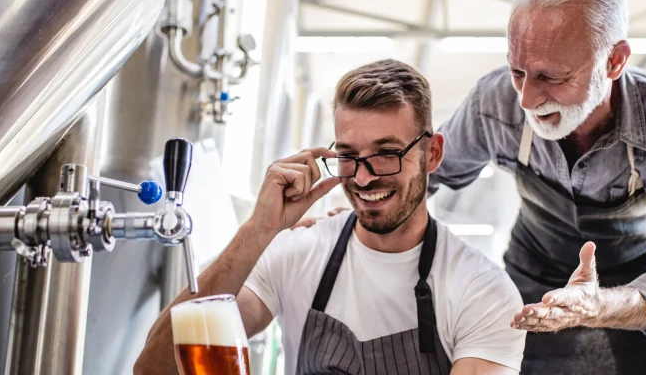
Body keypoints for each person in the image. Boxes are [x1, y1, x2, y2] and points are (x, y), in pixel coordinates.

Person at [134, 59, 526, 375]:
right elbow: (156, 367)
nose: (365, 176)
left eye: (386, 153)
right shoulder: (294, 253)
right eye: (349, 156)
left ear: (433, 154)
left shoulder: (482, 291)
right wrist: (259, 230)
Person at [427, 0, 646, 374]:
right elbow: (421, 177)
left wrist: (599, 305)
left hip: (640, 282)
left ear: (614, 61)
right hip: (531, 278)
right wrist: (357, 219)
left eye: (552, 77)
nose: (527, 99)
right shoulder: (494, 103)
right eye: (518, 71)